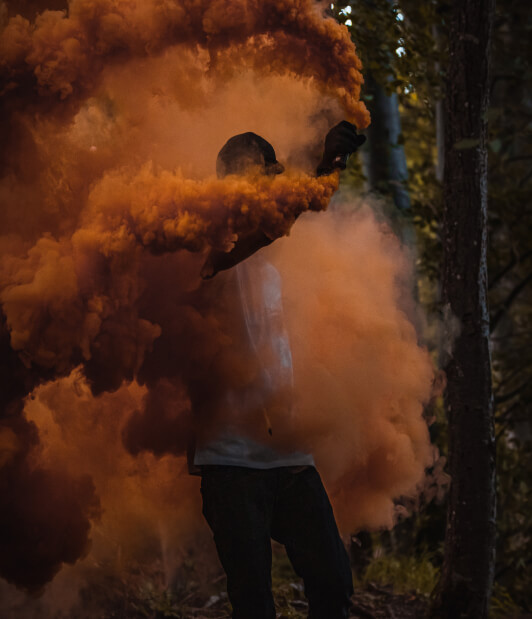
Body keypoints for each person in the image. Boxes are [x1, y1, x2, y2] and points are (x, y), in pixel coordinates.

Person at [193, 121, 366, 619]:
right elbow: (253, 236)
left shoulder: (270, 266)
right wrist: (321, 169)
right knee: (253, 603)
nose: (261, 187)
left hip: (289, 454)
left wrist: (328, 164)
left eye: (266, 176)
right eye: (250, 177)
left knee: (333, 584)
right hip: (230, 460)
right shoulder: (200, 244)